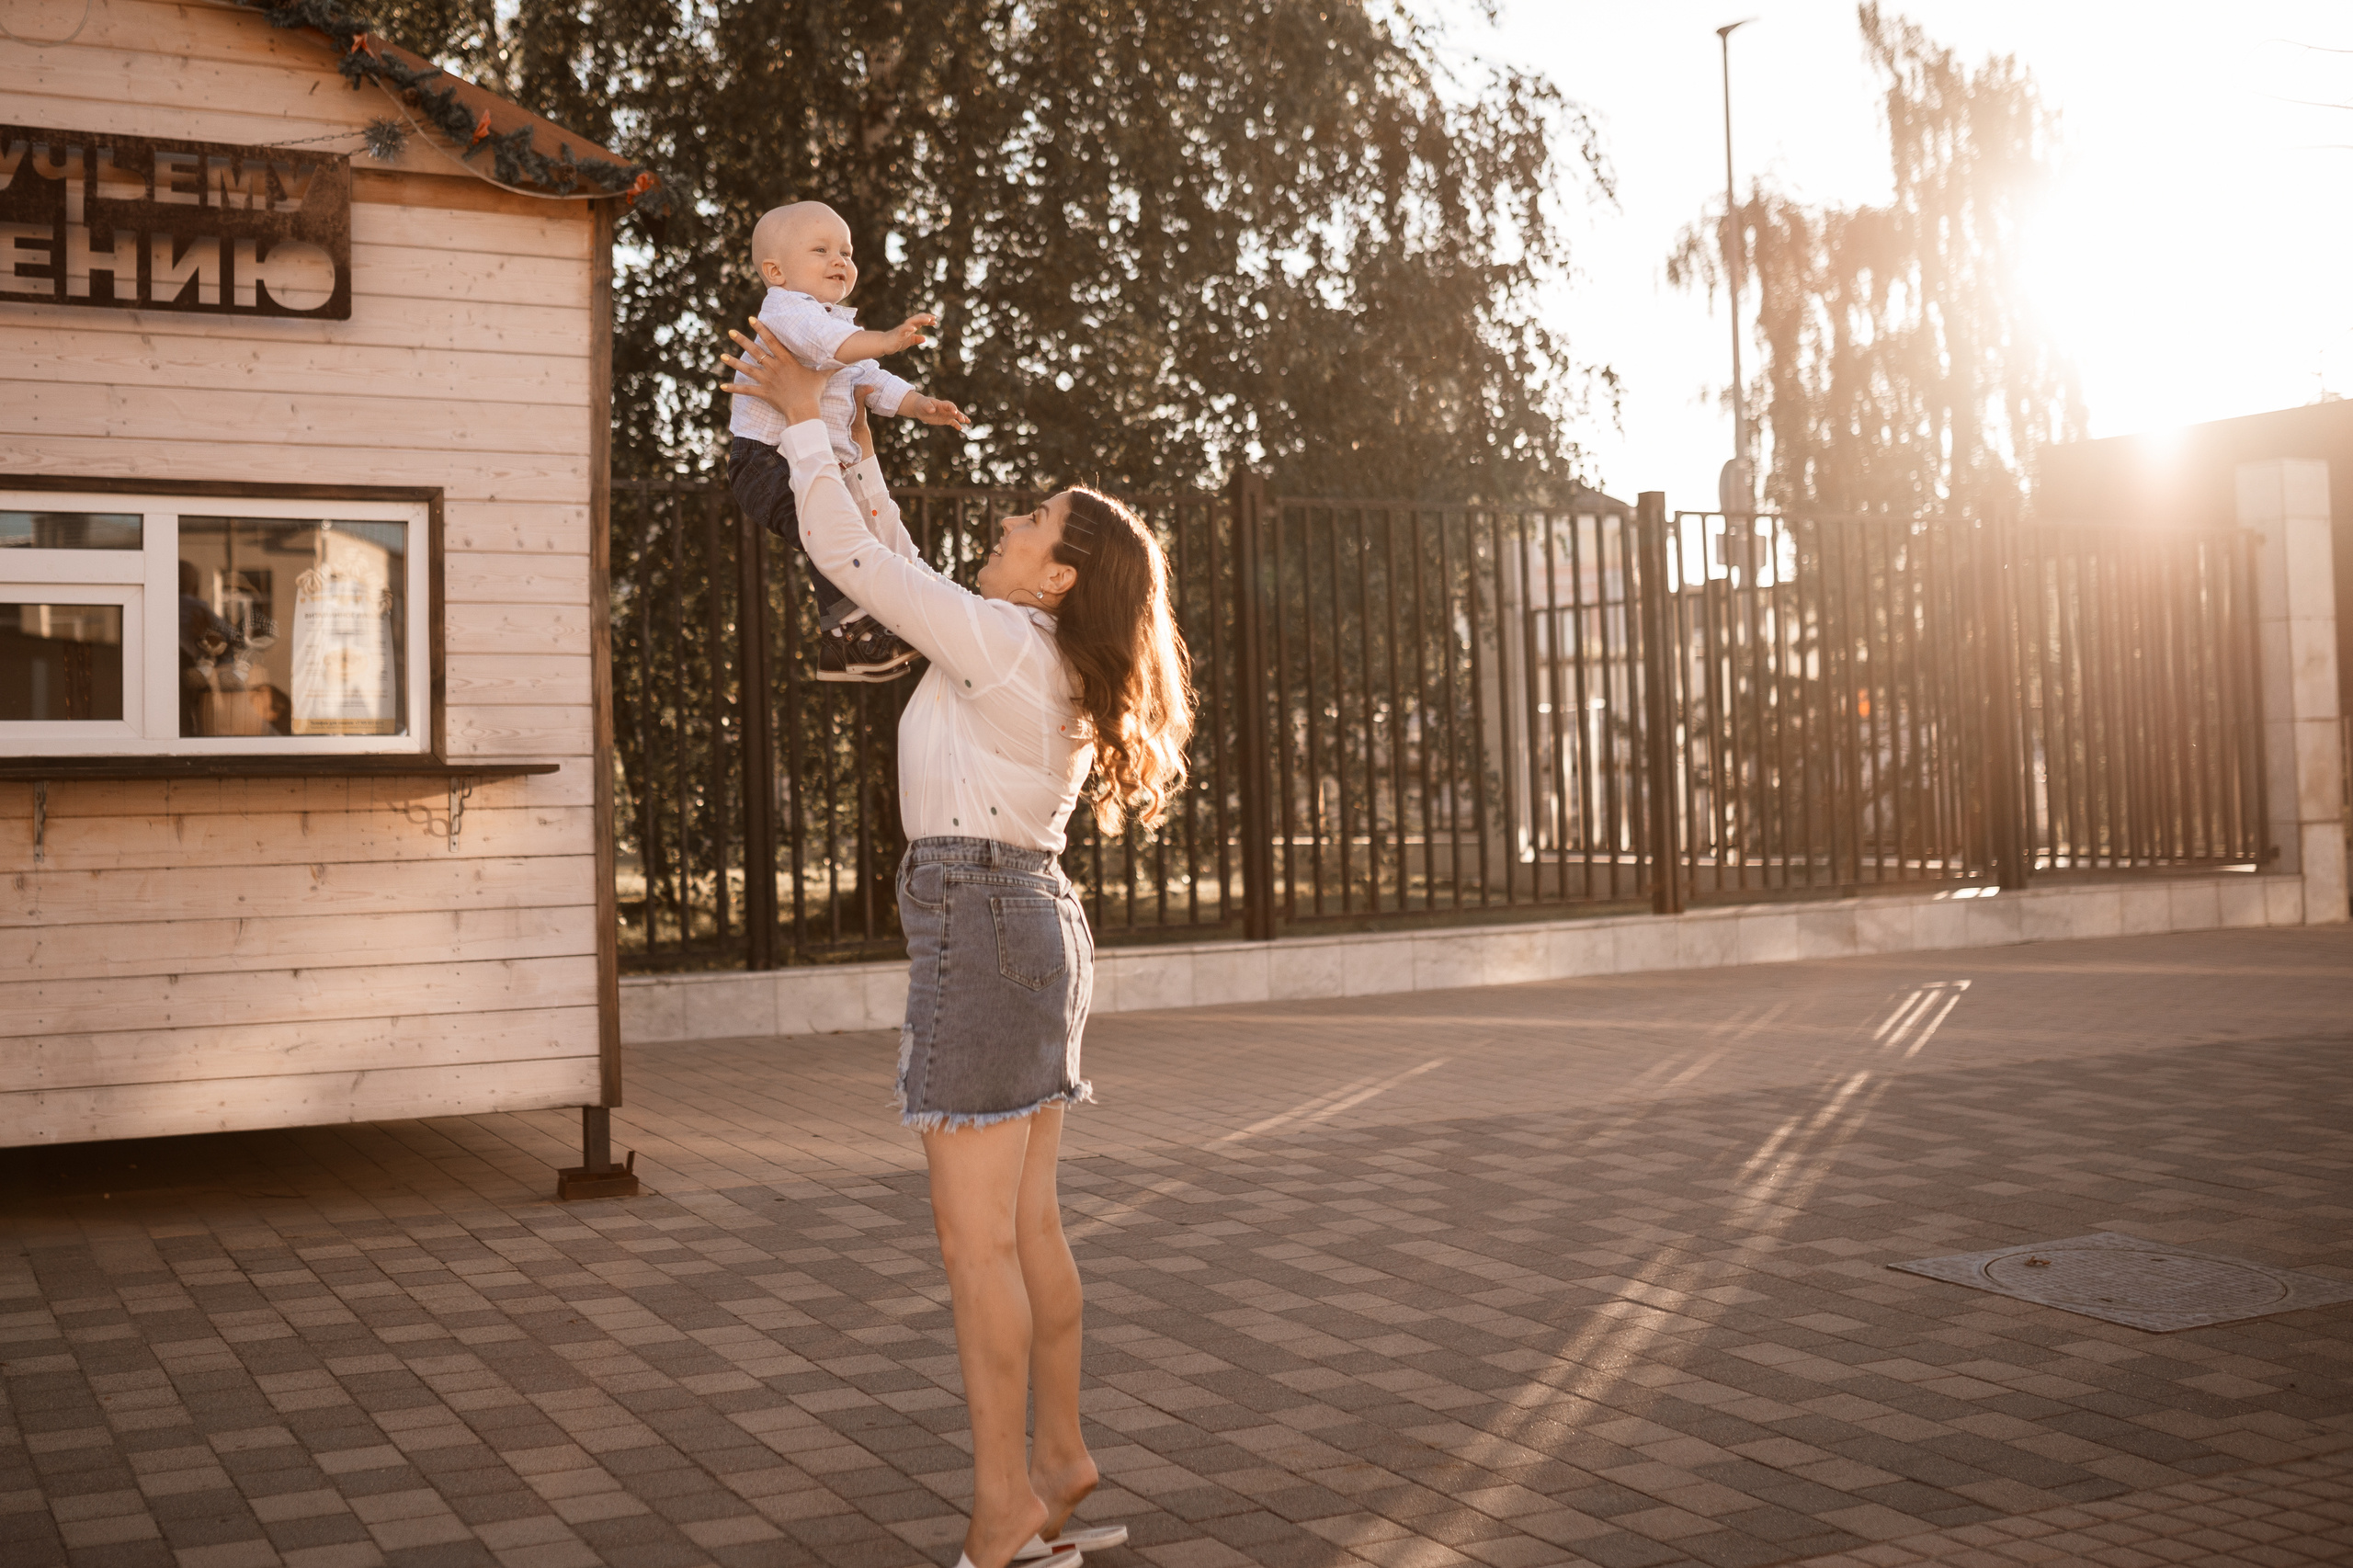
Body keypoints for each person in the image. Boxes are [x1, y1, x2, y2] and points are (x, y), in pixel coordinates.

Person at [722, 316, 1192, 1568]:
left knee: (973, 1237)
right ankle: (1056, 1461)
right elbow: (892, 552)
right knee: (1028, 1224)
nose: (1009, 523)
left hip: (983, 921)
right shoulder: (1020, 643)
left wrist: (806, 419)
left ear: (1057, 577)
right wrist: (840, 422)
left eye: (1033, 521)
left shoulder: (997, 640)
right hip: (1028, 920)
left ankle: (1005, 1507)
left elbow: (846, 551)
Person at [729, 199, 972, 682]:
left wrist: (920, 403)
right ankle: (852, 635)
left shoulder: (834, 323)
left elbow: (870, 381)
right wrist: (884, 338)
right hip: (765, 461)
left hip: (806, 461)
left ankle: (844, 644)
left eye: (846, 250)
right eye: (821, 250)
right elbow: (833, 347)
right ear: (775, 271)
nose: (840, 260)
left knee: (846, 539)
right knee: (828, 535)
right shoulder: (788, 312)